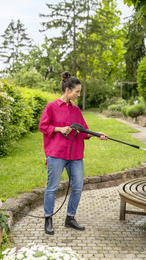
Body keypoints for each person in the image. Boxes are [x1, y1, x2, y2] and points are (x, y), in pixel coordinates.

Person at [39, 71, 107, 235]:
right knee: (52, 188)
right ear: (68, 90)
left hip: (75, 155)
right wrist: (59, 128)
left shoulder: (76, 110)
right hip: (56, 154)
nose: (78, 94)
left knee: (77, 187)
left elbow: (83, 131)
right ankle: (48, 218)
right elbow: (43, 126)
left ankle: (70, 218)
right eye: (77, 91)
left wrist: (97, 134)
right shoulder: (52, 107)